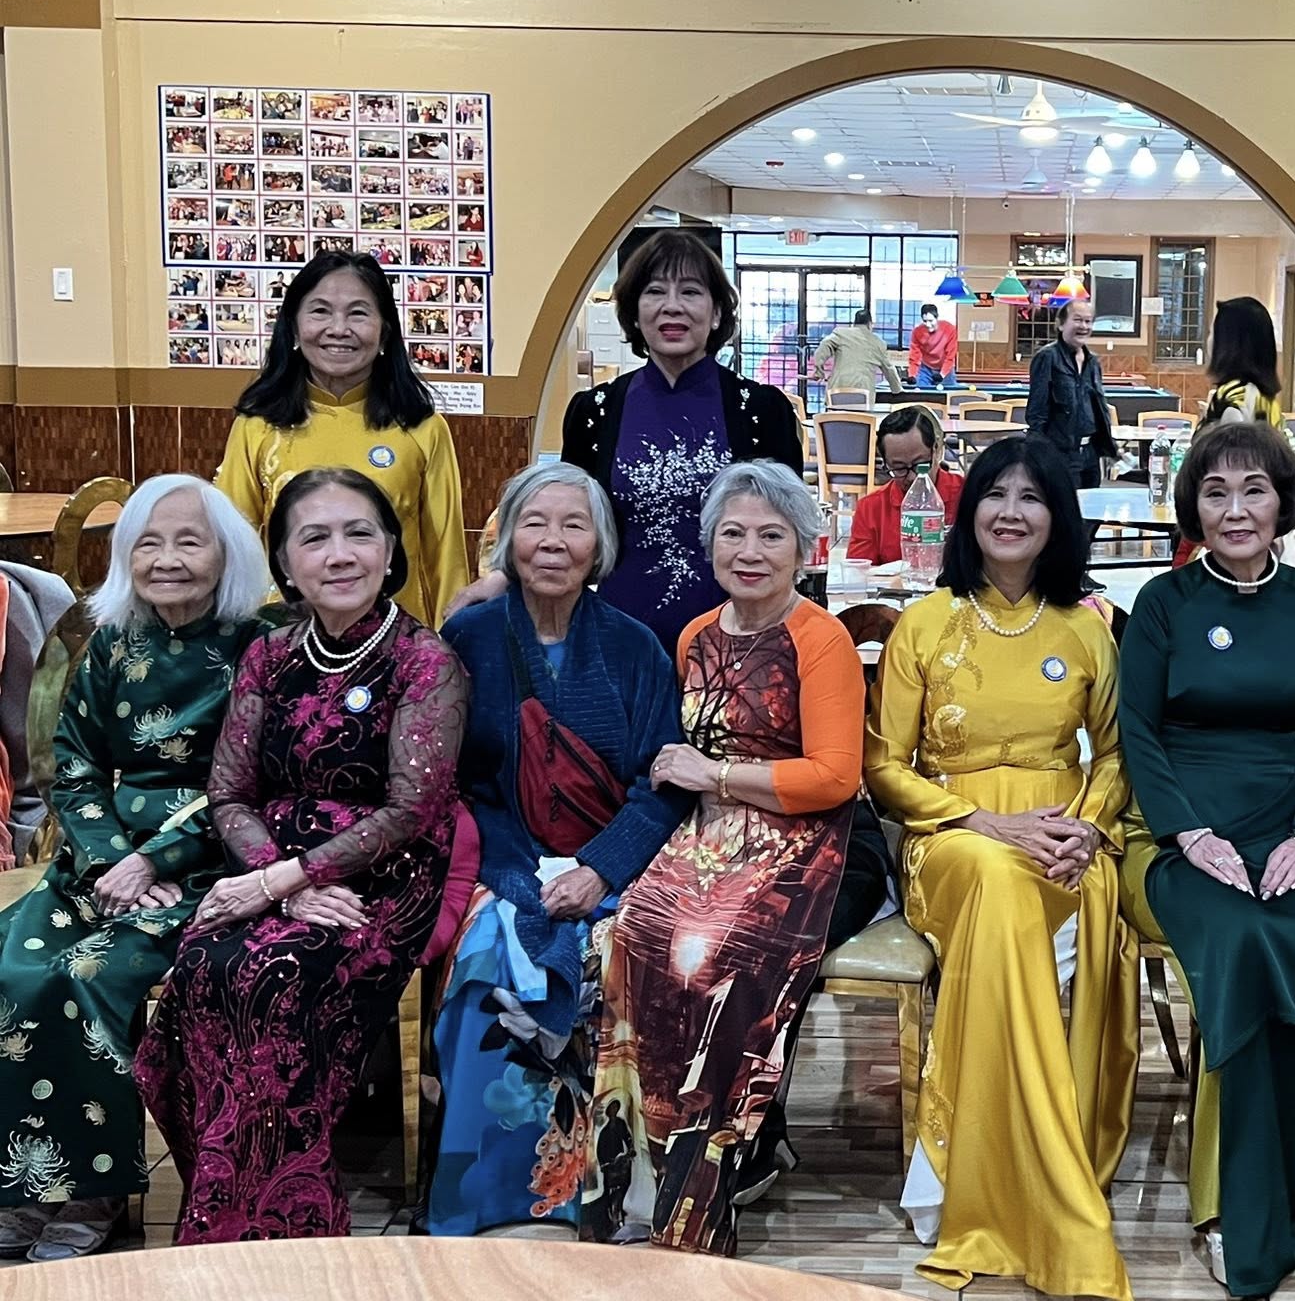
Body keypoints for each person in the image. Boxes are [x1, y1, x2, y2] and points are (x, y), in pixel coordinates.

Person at [135, 468, 469, 1243]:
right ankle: (229, 1207)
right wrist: (275, 884)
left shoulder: (425, 661)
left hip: (384, 878)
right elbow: (228, 795)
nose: (339, 554)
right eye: (314, 538)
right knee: (204, 968)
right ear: (285, 562)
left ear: (391, 549)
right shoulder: (271, 653)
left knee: (275, 978)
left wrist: (288, 881)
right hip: (274, 869)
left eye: (359, 533)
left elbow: (411, 810)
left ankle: (283, 1221)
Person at [866, 434, 1135, 1299]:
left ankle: (984, 1165)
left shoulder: (1086, 630)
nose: (1011, 513)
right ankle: (1028, 1171)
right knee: (995, 876)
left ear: (1058, 518)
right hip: (952, 836)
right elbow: (884, 767)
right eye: (995, 494)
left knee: (1030, 882)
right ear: (968, 509)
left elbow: (1116, 755)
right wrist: (983, 821)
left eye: (1032, 498)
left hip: (1066, 835)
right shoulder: (925, 623)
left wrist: (1086, 828)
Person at [584, 461, 865, 1252]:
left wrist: (715, 776)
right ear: (709, 545)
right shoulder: (695, 635)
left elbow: (834, 777)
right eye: (733, 534)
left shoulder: (822, 639)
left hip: (802, 837)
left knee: (714, 954)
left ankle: (705, 1185)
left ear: (804, 549)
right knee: (627, 935)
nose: (750, 551)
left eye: (771, 536)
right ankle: (632, 1184)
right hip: (707, 835)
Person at [0, 478, 269, 1263]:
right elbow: (73, 765)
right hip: (103, 863)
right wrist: (114, 858)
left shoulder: (259, 648)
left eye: (189, 541)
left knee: (85, 977)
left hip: (207, 868)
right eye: (148, 542)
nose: (167, 559)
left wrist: (159, 859)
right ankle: (29, 1182)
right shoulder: (114, 643)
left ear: (227, 554)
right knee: (14, 969)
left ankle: (96, 1190)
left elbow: (255, 783)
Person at [1118, 424, 1295, 1296]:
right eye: (1215, 492)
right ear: (1194, 508)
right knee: (1246, 945)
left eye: (1255, 490)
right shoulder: (1163, 601)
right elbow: (1137, 733)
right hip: (1177, 833)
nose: (1237, 509)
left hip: (1285, 827)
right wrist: (1188, 834)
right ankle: (1241, 1206)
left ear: (1285, 502)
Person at [425, 463, 680, 1236]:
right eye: (535, 523)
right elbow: (453, 780)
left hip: (614, 864)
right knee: (486, 959)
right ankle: (488, 1196)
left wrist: (599, 867)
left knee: (627, 959)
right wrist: (516, 872)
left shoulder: (636, 646)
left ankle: (597, 1196)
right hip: (503, 857)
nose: (553, 542)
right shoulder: (469, 639)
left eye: (575, 525)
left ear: (600, 546)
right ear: (507, 539)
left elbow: (661, 783)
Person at [463, 232, 802, 655]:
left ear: (717, 312)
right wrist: (503, 577)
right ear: (634, 313)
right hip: (618, 639)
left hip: (738, 638)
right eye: (655, 291)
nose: (672, 306)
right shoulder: (595, 412)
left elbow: (787, 531)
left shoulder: (762, 411)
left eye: (690, 291)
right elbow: (566, 521)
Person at [216, 250, 469, 625]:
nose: (338, 329)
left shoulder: (422, 428)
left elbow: (445, 557)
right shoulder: (257, 426)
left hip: (395, 640)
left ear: (384, 333)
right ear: (294, 329)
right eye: (320, 311)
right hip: (284, 635)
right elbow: (231, 546)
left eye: (358, 313)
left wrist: (451, 640)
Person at [846, 407, 966, 564]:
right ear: (885, 464)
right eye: (899, 468)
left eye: (921, 465)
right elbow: (859, 570)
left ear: (936, 451)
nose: (913, 477)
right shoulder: (871, 508)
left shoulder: (967, 495)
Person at [1026, 298, 1118, 490]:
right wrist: (1038, 456)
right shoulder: (1047, 357)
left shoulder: (1093, 362)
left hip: (1091, 454)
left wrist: (1111, 447)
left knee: (1092, 506)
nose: (1083, 326)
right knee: (1065, 507)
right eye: (1077, 320)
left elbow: (1098, 407)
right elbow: (1036, 413)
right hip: (1059, 454)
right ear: (1060, 324)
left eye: (1088, 321)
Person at [1196, 297, 1286, 430]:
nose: (1209, 340)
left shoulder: (1232, 399)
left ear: (1228, 343)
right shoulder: (1267, 400)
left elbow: (1232, 441)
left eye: (1212, 333)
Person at [812, 307, 902, 396]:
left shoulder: (841, 334)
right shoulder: (878, 343)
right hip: (863, 391)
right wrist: (896, 389)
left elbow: (822, 349)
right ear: (870, 324)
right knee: (860, 406)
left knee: (836, 405)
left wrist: (819, 371)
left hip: (838, 388)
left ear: (854, 323)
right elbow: (889, 368)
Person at [908, 302, 959, 388]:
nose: (928, 325)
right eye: (925, 321)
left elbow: (950, 356)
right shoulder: (917, 332)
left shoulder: (950, 329)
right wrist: (912, 375)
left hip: (945, 368)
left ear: (937, 318)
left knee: (948, 394)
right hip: (926, 369)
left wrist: (942, 374)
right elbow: (914, 356)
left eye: (931, 321)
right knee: (921, 392)